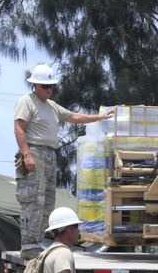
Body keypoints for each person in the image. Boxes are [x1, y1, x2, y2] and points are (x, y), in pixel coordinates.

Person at [14, 63, 114, 260]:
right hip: (35, 151)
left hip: (50, 155)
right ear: (34, 85)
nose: (49, 90)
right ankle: (29, 246)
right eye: (45, 86)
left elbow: (74, 116)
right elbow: (18, 129)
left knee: (47, 202)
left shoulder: (51, 106)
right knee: (33, 201)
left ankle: (37, 243)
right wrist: (27, 155)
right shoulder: (27, 101)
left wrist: (99, 117)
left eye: (51, 86)